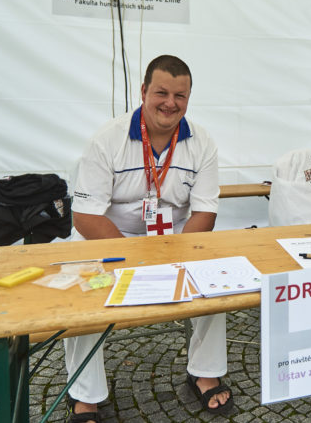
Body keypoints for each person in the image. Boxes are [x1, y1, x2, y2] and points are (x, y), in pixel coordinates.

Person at [64, 55, 232, 423]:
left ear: (188, 98)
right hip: (109, 239)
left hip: (172, 240)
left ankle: (204, 372)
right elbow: (86, 216)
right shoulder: (107, 139)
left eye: (180, 95)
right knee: (83, 292)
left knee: (215, 280)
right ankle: (84, 395)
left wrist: (173, 253)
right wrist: (134, 256)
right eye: (161, 93)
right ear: (143, 91)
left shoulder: (203, 141)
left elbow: (205, 212)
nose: (170, 103)